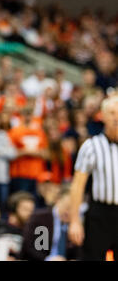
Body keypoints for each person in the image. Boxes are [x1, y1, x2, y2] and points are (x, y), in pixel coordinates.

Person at [68, 95, 118, 261]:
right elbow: (77, 185)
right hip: (99, 213)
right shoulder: (91, 145)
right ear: (102, 116)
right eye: (111, 112)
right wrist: (75, 220)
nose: (116, 116)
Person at [21, 186, 81, 261]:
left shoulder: (76, 224)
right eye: (67, 207)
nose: (68, 213)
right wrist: (48, 259)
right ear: (58, 200)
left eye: (73, 210)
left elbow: (78, 251)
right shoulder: (40, 218)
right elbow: (29, 248)